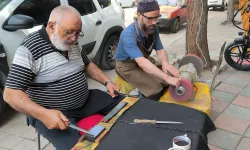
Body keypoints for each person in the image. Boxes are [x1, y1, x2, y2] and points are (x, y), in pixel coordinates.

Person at [3, 6, 124, 150]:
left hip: (85, 101)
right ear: (51, 26)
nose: (74, 38)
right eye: (69, 32)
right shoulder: (30, 48)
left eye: (78, 33)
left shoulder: (72, 42)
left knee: (126, 104)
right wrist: (43, 114)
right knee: (77, 147)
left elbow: (88, 65)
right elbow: (11, 94)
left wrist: (108, 81)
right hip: (54, 112)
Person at [115, 0, 180, 101]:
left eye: (156, 17)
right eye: (150, 18)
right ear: (139, 15)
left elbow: (160, 50)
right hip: (127, 66)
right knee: (155, 88)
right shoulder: (128, 35)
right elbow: (142, 63)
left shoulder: (153, 29)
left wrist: (165, 63)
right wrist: (166, 78)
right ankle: (147, 110)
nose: (154, 22)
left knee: (171, 76)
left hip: (144, 60)